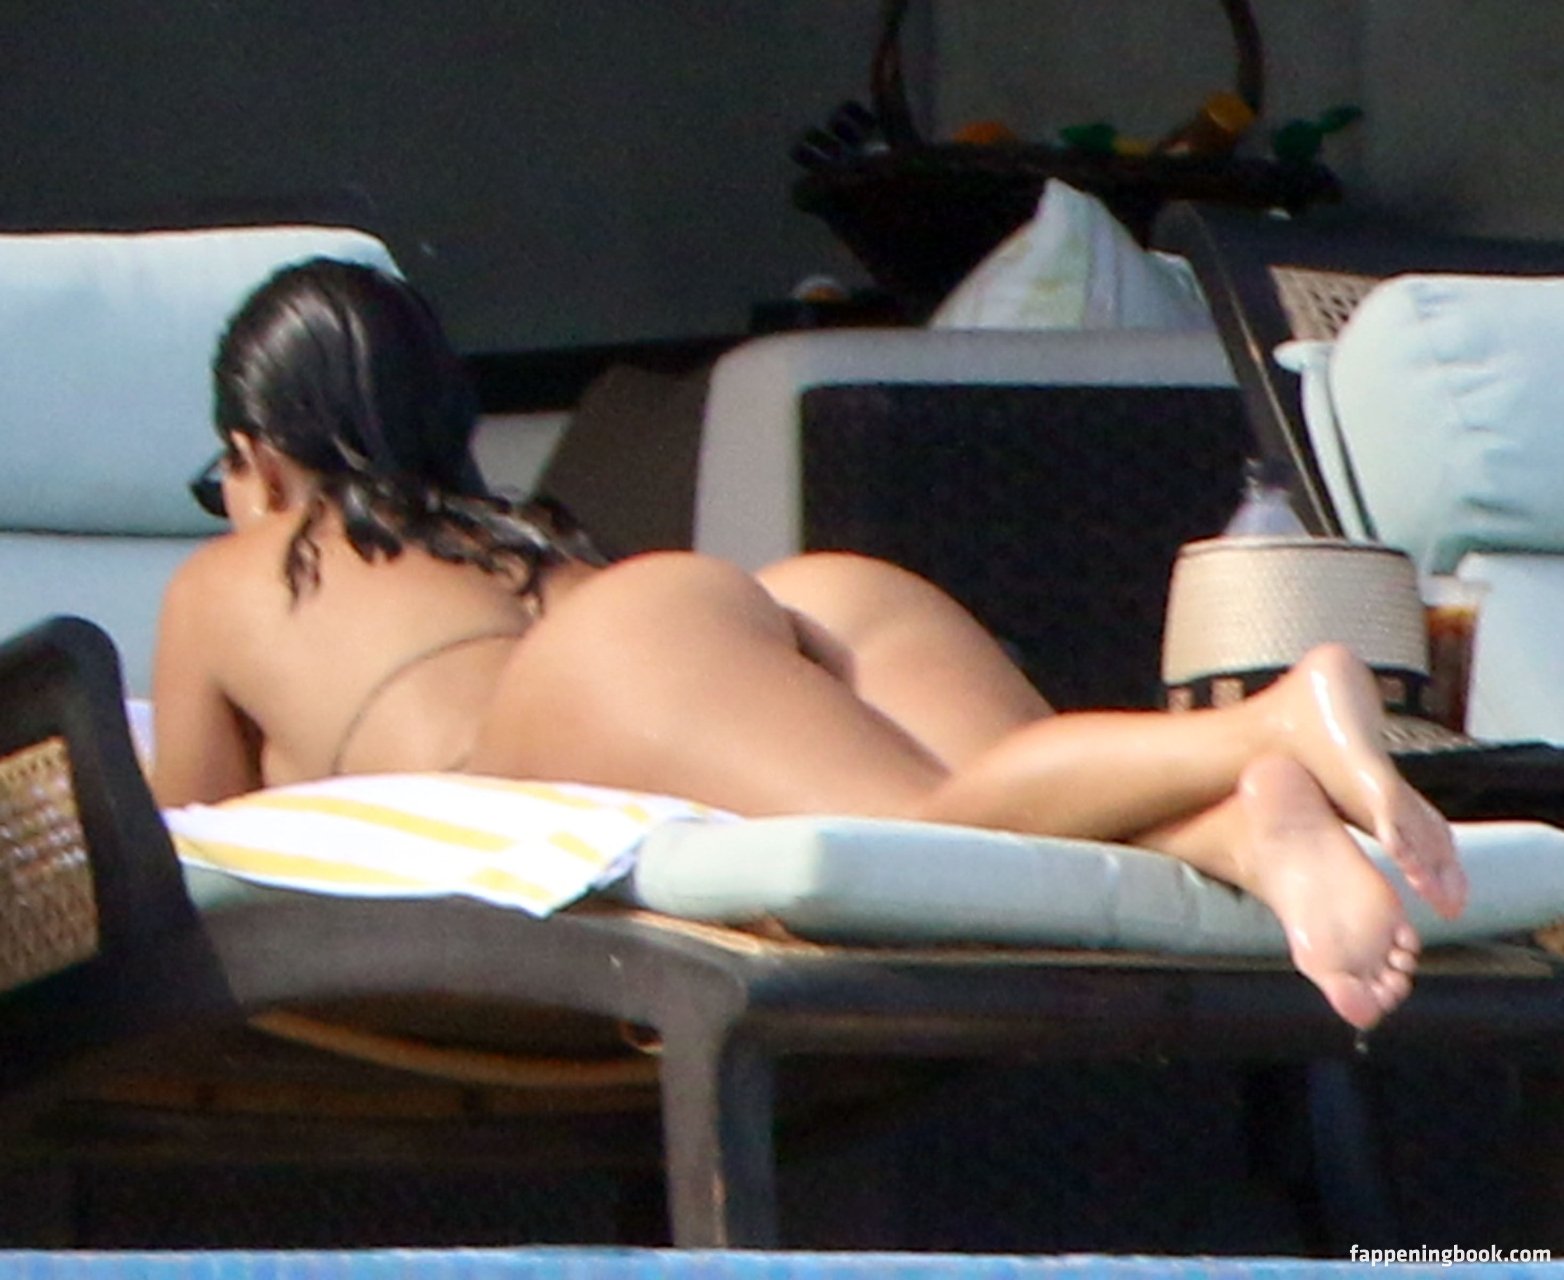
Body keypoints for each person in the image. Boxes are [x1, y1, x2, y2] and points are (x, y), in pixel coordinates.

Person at [152, 257, 1469, 1033]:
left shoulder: (228, 576)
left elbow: (179, 852)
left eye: (227, 477)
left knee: (935, 833)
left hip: (616, 669)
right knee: (1024, 828)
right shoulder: (515, 535)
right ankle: (1242, 820)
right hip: (788, 600)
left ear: (254, 455)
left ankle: (1270, 720)